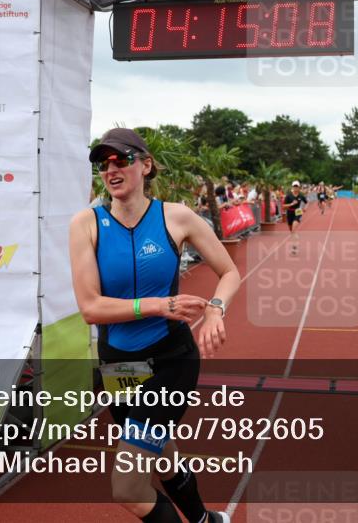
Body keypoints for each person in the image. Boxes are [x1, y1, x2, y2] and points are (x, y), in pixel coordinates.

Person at [70, 128, 239, 523]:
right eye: (104, 163)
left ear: (146, 165)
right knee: (161, 454)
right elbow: (91, 308)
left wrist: (215, 309)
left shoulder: (176, 217)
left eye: (122, 159)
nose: (111, 169)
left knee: (127, 487)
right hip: (119, 365)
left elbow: (229, 271)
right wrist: (160, 305)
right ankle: (204, 519)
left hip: (170, 362)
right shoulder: (86, 224)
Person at [283, 181, 307, 250]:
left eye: (297, 186)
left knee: (293, 228)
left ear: (299, 187)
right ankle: (295, 237)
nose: (295, 188)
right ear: (292, 187)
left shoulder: (301, 195)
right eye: (294, 186)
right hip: (290, 212)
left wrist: (304, 208)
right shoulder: (288, 196)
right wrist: (291, 204)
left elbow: (306, 202)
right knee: (291, 230)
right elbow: (283, 206)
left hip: (298, 212)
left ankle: (294, 245)